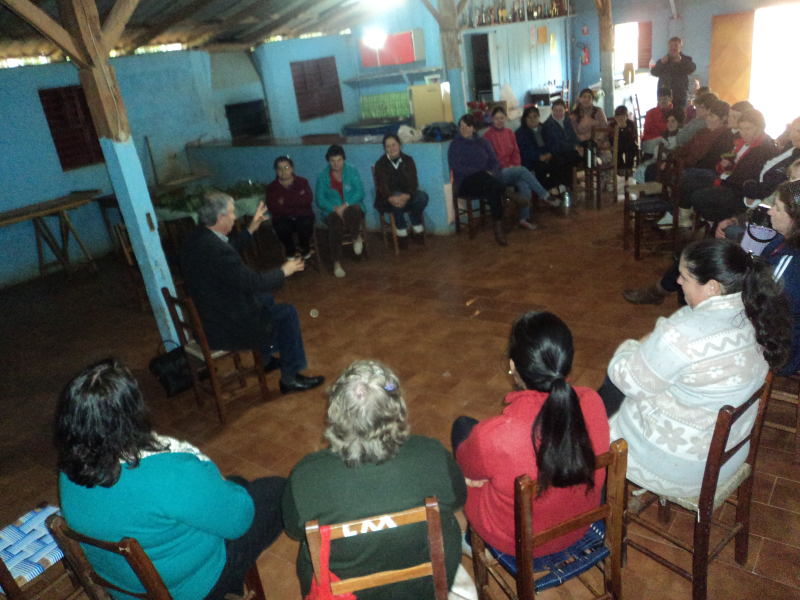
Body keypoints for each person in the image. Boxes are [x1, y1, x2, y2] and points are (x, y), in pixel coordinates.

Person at [55, 359, 286, 600]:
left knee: (235, 486)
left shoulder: (69, 469)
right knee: (277, 491)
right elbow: (240, 521)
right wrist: (205, 468)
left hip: (127, 589)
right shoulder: (170, 472)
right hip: (189, 590)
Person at [601, 238, 791, 497]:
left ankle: (601, 505)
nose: (678, 282)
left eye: (684, 277)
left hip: (684, 470)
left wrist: (632, 345)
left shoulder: (683, 332)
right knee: (626, 391)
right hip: (727, 457)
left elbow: (627, 379)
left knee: (605, 400)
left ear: (712, 287)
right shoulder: (756, 314)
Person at [281, 360, 473, 600]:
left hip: (348, 594)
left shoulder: (306, 477)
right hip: (425, 587)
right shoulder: (433, 455)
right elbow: (459, 498)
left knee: (308, 546)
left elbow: (294, 529)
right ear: (397, 409)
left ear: (336, 413)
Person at [452, 311, 610, 558]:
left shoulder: (495, 435)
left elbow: (467, 470)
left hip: (517, 539)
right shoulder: (592, 402)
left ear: (513, 366)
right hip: (579, 524)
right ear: (566, 361)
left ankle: (474, 540)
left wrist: (475, 477)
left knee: (463, 427)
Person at [180, 192, 324, 395]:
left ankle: (265, 360)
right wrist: (284, 271)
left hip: (209, 314)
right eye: (232, 213)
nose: (235, 217)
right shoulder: (216, 250)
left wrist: (250, 229)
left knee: (265, 299)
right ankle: (290, 378)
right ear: (220, 218)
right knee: (287, 313)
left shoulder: (196, 238)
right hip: (224, 326)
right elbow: (253, 283)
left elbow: (227, 250)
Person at [623, 161, 800, 307]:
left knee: (702, 260)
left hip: (754, 248)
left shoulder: (788, 256)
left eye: (795, 180)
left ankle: (674, 296)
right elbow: (758, 212)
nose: (771, 211)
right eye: (791, 179)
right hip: (753, 237)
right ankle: (670, 293)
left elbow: (765, 304)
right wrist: (734, 220)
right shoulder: (785, 205)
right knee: (698, 252)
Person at [684, 109, 777, 226]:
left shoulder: (764, 148)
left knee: (698, 196)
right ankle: (692, 219)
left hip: (741, 192)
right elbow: (735, 167)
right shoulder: (745, 141)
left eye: (748, 128)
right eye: (741, 128)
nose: (744, 133)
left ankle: (718, 225)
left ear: (760, 128)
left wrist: (719, 182)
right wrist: (725, 167)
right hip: (730, 181)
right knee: (689, 180)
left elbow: (745, 178)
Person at [483, 106, 555, 229]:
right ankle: (544, 195)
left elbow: (516, 153)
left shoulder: (509, 133)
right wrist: (509, 166)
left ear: (505, 118)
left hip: (512, 170)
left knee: (524, 181)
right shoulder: (488, 136)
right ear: (492, 119)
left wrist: (514, 165)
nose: (499, 121)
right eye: (496, 118)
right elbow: (489, 158)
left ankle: (524, 218)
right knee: (523, 171)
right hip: (497, 173)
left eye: (501, 118)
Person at [671, 99, 736, 226]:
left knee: (686, 177)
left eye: (712, 116)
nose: (708, 119)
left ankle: (682, 217)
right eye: (708, 116)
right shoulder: (704, 131)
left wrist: (684, 163)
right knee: (668, 172)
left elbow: (710, 162)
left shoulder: (726, 136)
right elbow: (686, 147)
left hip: (712, 171)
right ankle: (673, 212)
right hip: (695, 166)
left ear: (723, 118)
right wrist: (672, 158)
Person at [448, 113, 509, 246]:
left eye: (467, 126)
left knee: (493, 189)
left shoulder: (484, 143)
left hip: (486, 182)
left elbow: (495, 162)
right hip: (465, 183)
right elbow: (456, 167)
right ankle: (506, 192)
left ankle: (498, 232)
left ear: (474, 127)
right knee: (487, 180)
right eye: (461, 127)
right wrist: (480, 172)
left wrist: (491, 172)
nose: (464, 130)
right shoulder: (455, 145)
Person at [315, 145, 367, 278]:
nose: (336, 164)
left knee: (355, 210)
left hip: (350, 206)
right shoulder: (322, 177)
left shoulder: (352, 171)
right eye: (332, 161)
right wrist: (334, 209)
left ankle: (355, 237)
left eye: (339, 160)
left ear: (344, 159)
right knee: (335, 223)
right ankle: (336, 263)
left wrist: (344, 206)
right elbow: (320, 200)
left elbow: (360, 192)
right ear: (328, 161)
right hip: (332, 211)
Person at [373, 133, 429, 249]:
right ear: (385, 148)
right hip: (387, 199)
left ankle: (414, 219)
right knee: (396, 198)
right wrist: (390, 197)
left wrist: (407, 195)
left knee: (423, 197)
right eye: (388, 146)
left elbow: (414, 182)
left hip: (407, 195)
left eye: (394, 144)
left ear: (399, 145)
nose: (392, 148)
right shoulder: (380, 164)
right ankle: (401, 230)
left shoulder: (408, 160)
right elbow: (382, 186)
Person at [265, 156, 315, 259]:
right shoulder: (271, 188)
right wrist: (297, 200)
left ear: (292, 168)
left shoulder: (303, 182)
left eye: (286, 167)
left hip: (303, 215)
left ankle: (304, 246)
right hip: (283, 218)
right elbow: (273, 208)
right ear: (276, 171)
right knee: (281, 227)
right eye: (280, 168)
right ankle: (290, 249)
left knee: (306, 224)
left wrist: (284, 201)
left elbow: (308, 200)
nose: (283, 171)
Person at [542, 99, 584, 193]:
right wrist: (574, 147)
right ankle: (569, 183)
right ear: (552, 110)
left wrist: (579, 145)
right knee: (571, 156)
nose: (558, 113)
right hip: (556, 152)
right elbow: (557, 144)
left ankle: (570, 181)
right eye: (555, 110)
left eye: (560, 110)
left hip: (569, 150)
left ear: (565, 110)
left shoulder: (567, 120)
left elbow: (573, 136)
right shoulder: (548, 125)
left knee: (588, 145)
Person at [515, 105, 555, 193]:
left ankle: (556, 189)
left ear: (539, 117)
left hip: (547, 156)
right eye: (529, 117)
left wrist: (549, 154)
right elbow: (523, 151)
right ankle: (544, 193)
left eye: (535, 116)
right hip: (531, 161)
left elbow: (552, 143)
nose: (532, 119)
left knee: (560, 162)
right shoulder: (520, 133)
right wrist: (539, 157)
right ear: (525, 119)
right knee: (541, 168)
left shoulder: (545, 128)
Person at [650, 36, 697, 109]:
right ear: (668, 47)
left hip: (680, 95)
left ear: (680, 47)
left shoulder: (686, 59)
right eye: (671, 46)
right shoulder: (663, 60)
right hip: (664, 96)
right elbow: (653, 72)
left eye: (676, 46)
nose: (673, 48)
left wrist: (681, 62)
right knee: (663, 114)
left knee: (678, 113)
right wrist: (661, 63)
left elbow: (692, 69)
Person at [641, 88, 673, 156]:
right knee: (660, 142)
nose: (662, 102)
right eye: (659, 99)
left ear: (670, 99)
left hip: (667, 142)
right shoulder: (651, 113)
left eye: (665, 99)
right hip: (650, 142)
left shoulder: (675, 113)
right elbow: (650, 130)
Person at [611, 105, 639, 174]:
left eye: (623, 117)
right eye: (619, 118)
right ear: (615, 117)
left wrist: (625, 128)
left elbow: (634, 136)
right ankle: (620, 167)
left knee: (633, 147)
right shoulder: (612, 125)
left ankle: (629, 167)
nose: (621, 119)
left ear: (626, 117)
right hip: (617, 143)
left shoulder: (631, 124)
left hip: (628, 142)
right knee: (615, 148)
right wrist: (618, 128)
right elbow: (610, 136)